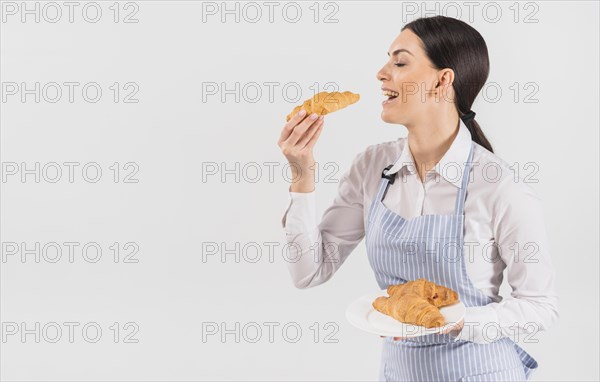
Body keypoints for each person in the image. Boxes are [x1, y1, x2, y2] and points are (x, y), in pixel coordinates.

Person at [277, 15, 558, 382]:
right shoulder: (371, 166)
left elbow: (540, 307)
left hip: (481, 374)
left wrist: (453, 322)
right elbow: (308, 272)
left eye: (399, 62)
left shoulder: (498, 186)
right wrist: (302, 174)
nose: (381, 73)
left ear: (442, 81)